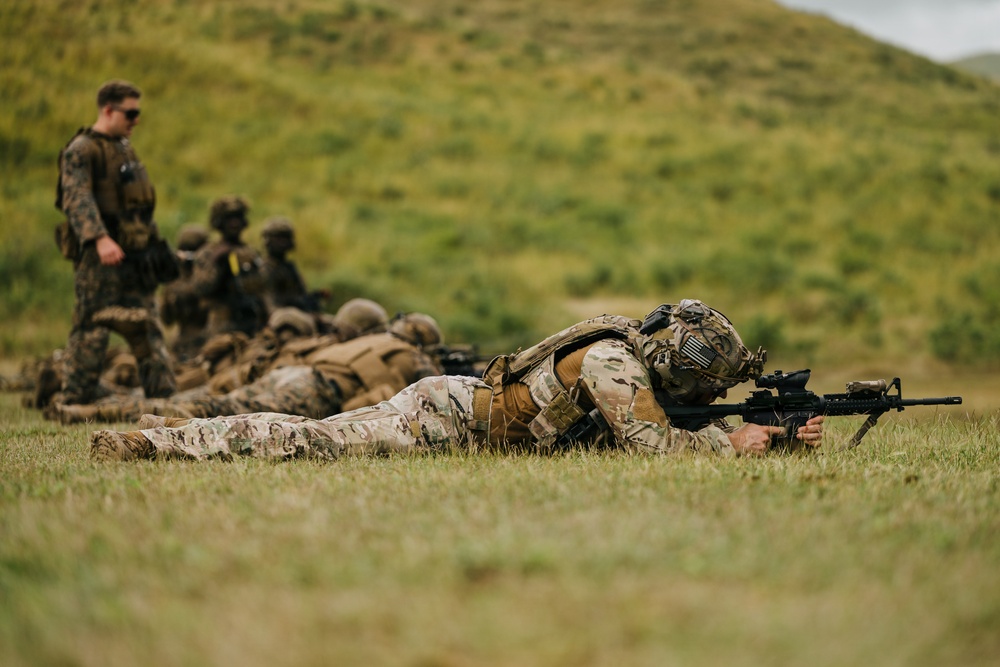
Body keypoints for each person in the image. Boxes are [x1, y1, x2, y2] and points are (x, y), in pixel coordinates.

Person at [90, 299, 824, 462]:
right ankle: (153, 443)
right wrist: (741, 442)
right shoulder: (613, 362)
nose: (706, 394)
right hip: (445, 418)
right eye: (706, 382)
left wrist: (779, 436)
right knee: (306, 440)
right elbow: (654, 446)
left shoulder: (630, 352)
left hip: (463, 411)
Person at [60, 312, 444, 424]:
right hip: (315, 389)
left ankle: (89, 408)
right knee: (211, 413)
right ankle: (88, 411)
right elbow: (437, 389)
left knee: (211, 402)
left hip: (294, 376)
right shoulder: (410, 356)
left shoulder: (370, 340)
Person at [53, 79, 177, 406]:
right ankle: (76, 397)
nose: (136, 120)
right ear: (108, 110)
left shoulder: (123, 147)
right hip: (102, 257)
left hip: (137, 256)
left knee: (148, 324)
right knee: (91, 325)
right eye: (131, 113)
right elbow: (76, 198)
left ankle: (162, 395)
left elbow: (137, 203)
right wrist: (99, 239)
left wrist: (156, 247)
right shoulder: (82, 149)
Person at [191, 196, 268, 338]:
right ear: (219, 223)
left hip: (252, 323)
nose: (235, 224)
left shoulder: (251, 253)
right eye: (229, 219)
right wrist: (218, 263)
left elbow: (263, 289)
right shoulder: (208, 253)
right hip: (222, 325)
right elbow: (201, 288)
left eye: (238, 218)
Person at [159, 224, 211, 362]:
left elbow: (166, 319)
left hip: (181, 344)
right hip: (206, 343)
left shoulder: (172, 283)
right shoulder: (210, 279)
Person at [259, 217, 325, 313]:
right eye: (278, 238)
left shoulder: (289, 267)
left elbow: (301, 293)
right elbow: (269, 302)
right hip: (280, 316)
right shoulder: (265, 269)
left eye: (285, 238)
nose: (282, 243)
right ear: (268, 240)